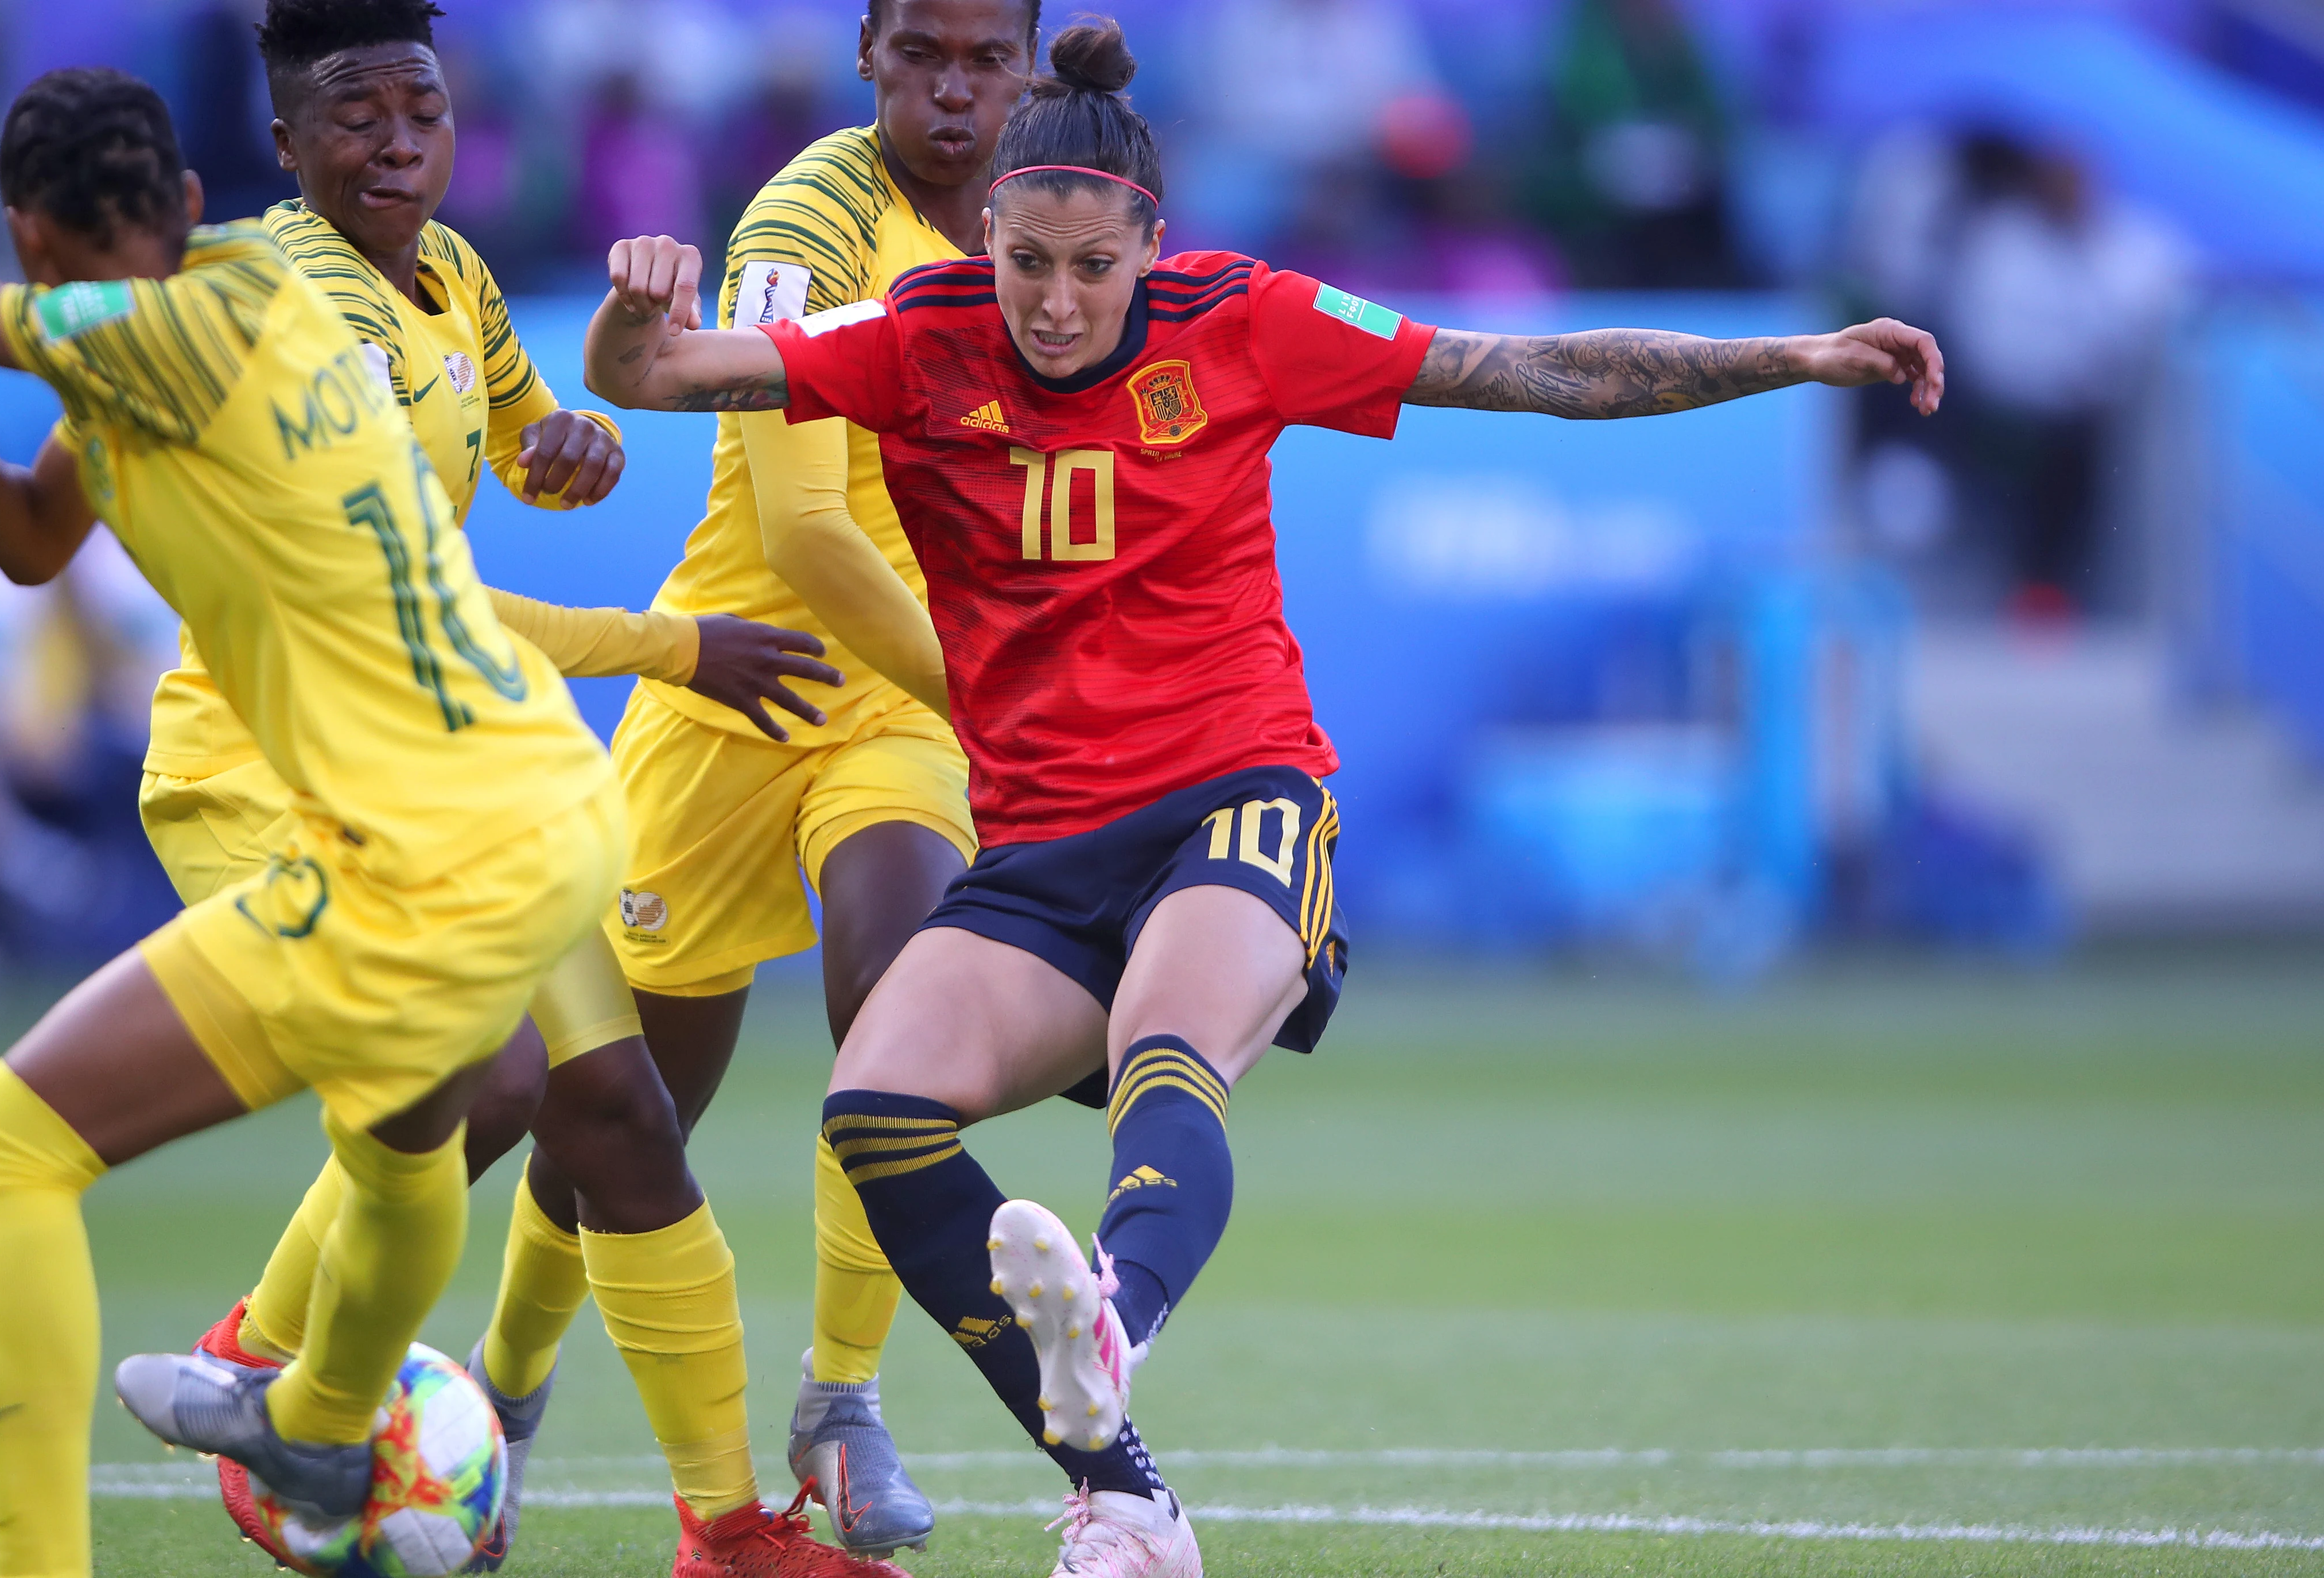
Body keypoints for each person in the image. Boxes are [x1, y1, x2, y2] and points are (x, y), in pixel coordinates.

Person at [581, 19, 1944, 1576]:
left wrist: (1804, 356)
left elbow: (1543, 370)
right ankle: (1133, 1499)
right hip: (1040, 847)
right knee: (877, 1108)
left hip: (1236, 794)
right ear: (994, 238)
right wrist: (637, 315)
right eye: (1027, 259)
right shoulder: (920, 331)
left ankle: (1117, 1319)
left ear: (1151, 247)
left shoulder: (1248, 318)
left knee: (1174, 1040)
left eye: (1094, 266)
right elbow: (666, 375)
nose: (1055, 300)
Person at [0, 3, 621, 1575]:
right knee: (421, 1119)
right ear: (191, 199)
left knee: (1, 1144)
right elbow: (34, 539)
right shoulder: (254, 293)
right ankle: (321, 1406)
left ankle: (114, 1521)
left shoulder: (146, 333)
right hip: (552, 800)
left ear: (31, 238)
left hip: (417, 848)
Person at [111, 5, 895, 1572]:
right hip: (283, 762)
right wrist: (673, 643)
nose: (401, 141)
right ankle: (274, 1361)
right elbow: (408, 592)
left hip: (442, 758)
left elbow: (527, 436)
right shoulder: (287, 314)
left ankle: (731, 1531)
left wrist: (571, 447)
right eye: (359, 118)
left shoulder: (453, 272)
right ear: (284, 146)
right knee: (495, 1091)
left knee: (615, 1103)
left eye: (424, 108)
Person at [582, 0, 1033, 1555]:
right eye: (924, 54)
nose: (955, 86)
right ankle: (501, 1388)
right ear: (868, 57)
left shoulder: (1047, 228)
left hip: (895, 712)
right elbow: (804, 536)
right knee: (622, 1110)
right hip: (733, 682)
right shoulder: (812, 218)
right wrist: (1004, 696)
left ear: (1027, 64)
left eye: (988, 56)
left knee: (901, 998)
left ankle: (841, 1401)